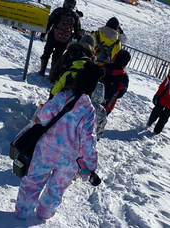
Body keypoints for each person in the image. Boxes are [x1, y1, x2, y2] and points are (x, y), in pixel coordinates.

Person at [15, 62, 104, 222]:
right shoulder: (89, 110)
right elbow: (88, 140)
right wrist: (91, 166)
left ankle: (22, 212)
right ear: (92, 88)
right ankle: (43, 216)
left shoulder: (61, 97)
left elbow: (42, 117)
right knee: (56, 189)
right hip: (68, 160)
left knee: (32, 182)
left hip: (46, 151)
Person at [39, 0, 81, 78]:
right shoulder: (75, 16)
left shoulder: (58, 11)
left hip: (52, 37)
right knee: (57, 57)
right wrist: (78, 39)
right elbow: (78, 31)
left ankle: (42, 70)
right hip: (64, 40)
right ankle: (52, 74)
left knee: (46, 53)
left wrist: (44, 32)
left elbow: (49, 22)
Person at [102, 49, 130, 115]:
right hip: (108, 104)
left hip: (93, 99)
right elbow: (121, 93)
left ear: (115, 57)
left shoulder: (104, 67)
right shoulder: (124, 77)